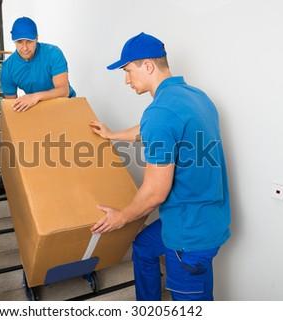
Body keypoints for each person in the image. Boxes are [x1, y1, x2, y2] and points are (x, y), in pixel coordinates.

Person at [90, 32, 231, 301]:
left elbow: (155, 192)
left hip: (188, 236)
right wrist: (113, 134)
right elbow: (160, 131)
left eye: (128, 70)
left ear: (148, 66)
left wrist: (120, 217)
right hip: (209, 216)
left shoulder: (160, 112)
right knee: (143, 246)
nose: (126, 80)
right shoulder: (195, 97)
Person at [0, 16, 76, 197]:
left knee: (62, 146)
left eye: (29, 41)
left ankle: (67, 182)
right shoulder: (8, 67)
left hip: (63, 104)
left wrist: (35, 97)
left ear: (37, 39)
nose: (25, 47)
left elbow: (63, 90)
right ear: (14, 41)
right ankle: (6, 180)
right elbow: (10, 105)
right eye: (20, 42)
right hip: (35, 106)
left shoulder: (53, 53)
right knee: (10, 137)